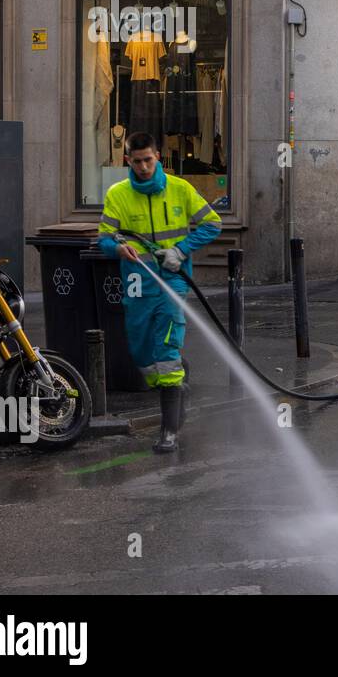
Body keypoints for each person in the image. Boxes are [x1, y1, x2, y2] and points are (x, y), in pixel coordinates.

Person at [97, 132, 222, 453]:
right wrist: (117, 248)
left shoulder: (180, 189)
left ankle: (169, 431)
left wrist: (180, 251)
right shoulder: (118, 195)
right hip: (137, 282)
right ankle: (180, 382)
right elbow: (104, 239)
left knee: (165, 348)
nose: (143, 167)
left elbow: (212, 223)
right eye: (136, 161)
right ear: (128, 161)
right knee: (141, 352)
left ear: (158, 159)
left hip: (172, 280)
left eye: (148, 160)